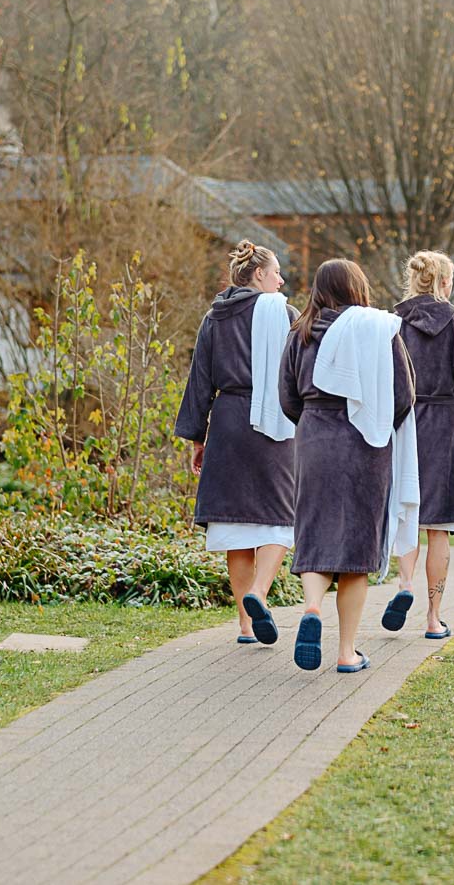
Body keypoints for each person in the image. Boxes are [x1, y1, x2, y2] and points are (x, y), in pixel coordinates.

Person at [279, 258, 416, 673]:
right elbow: (404, 395)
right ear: (358, 288)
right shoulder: (379, 330)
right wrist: (376, 423)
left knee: (316, 533)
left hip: (315, 441)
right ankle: (346, 652)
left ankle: (311, 608)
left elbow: (286, 397)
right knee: (357, 547)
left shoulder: (299, 333)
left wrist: (312, 424)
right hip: (365, 445)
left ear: (319, 289)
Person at [175, 240, 297, 646]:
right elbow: (301, 371)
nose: (282, 280)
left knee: (235, 524)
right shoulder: (285, 314)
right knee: (280, 517)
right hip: (273, 426)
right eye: (277, 272)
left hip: (227, 424)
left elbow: (200, 380)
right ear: (259, 274)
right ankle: (259, 593)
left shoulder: (215, 318)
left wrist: (197, 436)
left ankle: (245, 626)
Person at [382, 251, 454, 640]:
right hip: (446, 427)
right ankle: (433, 617)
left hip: (404, 425)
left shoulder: (392, 326)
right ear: (444, 282)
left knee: (408, 517)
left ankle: (404, 585)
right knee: (438, 529)